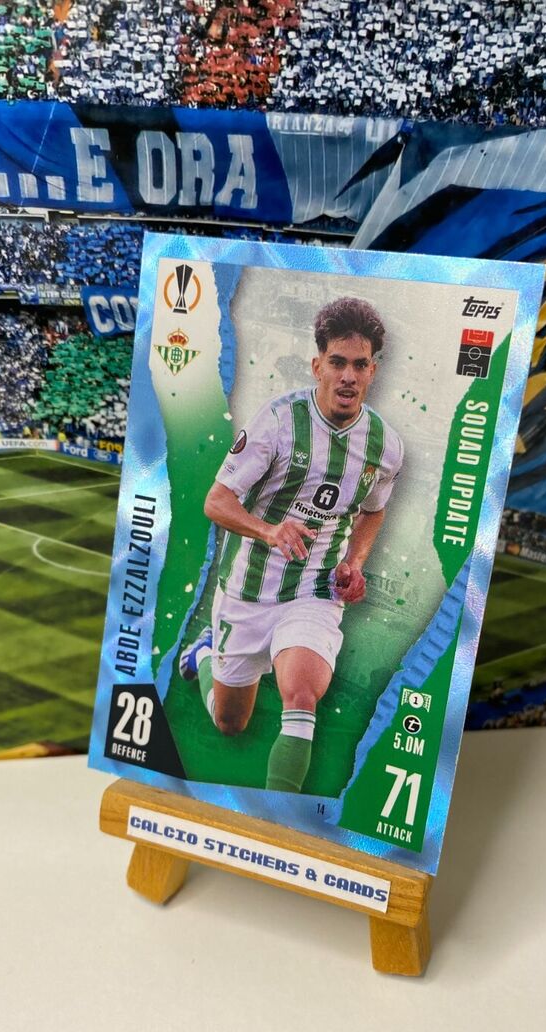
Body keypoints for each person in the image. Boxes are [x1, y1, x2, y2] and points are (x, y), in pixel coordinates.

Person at [179, 295, 403, 795]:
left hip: (313, 591)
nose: (348, 376)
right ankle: (204, 656)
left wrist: (355, 562)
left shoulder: (385, 445)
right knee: (229, 723)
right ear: (317, 365)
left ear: (373, 370)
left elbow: (373, 510)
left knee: (301, 695)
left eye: (360, 365)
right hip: (246, 590)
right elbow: (216, 502)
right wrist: (269, 530)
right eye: (338, 363)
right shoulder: (278, 421)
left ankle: (281, 819)